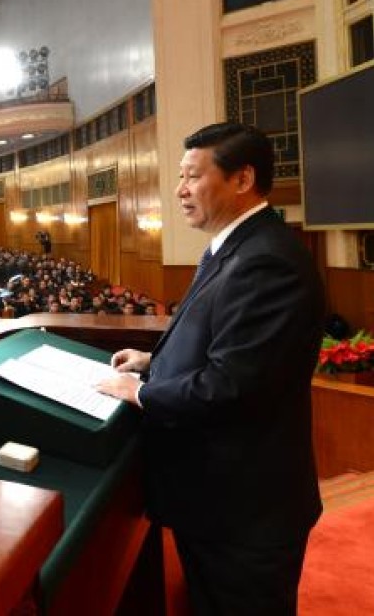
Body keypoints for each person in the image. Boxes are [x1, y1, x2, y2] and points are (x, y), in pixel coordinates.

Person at [95, 123, 324, 616]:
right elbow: (231, 347)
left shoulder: (267, 262)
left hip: (246, 512)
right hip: (220, 504)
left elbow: (232, 385)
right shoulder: (234, 247)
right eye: (180, 176)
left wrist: (139, 393)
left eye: (193, 177)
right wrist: (154, 363)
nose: (179, 190)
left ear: (242, 180)